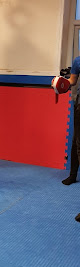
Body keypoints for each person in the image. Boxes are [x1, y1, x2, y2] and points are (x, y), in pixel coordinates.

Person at [60, 55, 80, 188]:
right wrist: (60, 82)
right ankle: (73, 175)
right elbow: (72, 80)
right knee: (76, 141)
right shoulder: (78, 60)